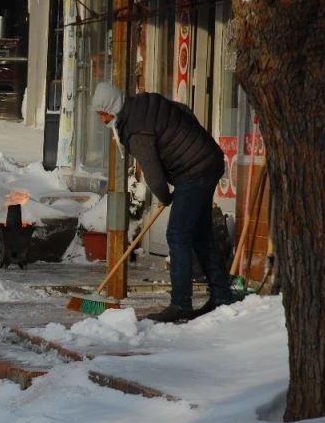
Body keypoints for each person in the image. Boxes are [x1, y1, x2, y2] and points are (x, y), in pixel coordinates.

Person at [91, 81, 235, 323]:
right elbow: (184, 110)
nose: (102, 120)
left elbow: (153, 173)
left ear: (113, 108)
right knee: (200, 235)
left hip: (194, 171)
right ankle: (221, 296)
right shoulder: (143, 103)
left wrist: (165, 196)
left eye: (103, 114)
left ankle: (181, 304)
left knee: (177, 234)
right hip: (208, 159)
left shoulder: (135, 131)